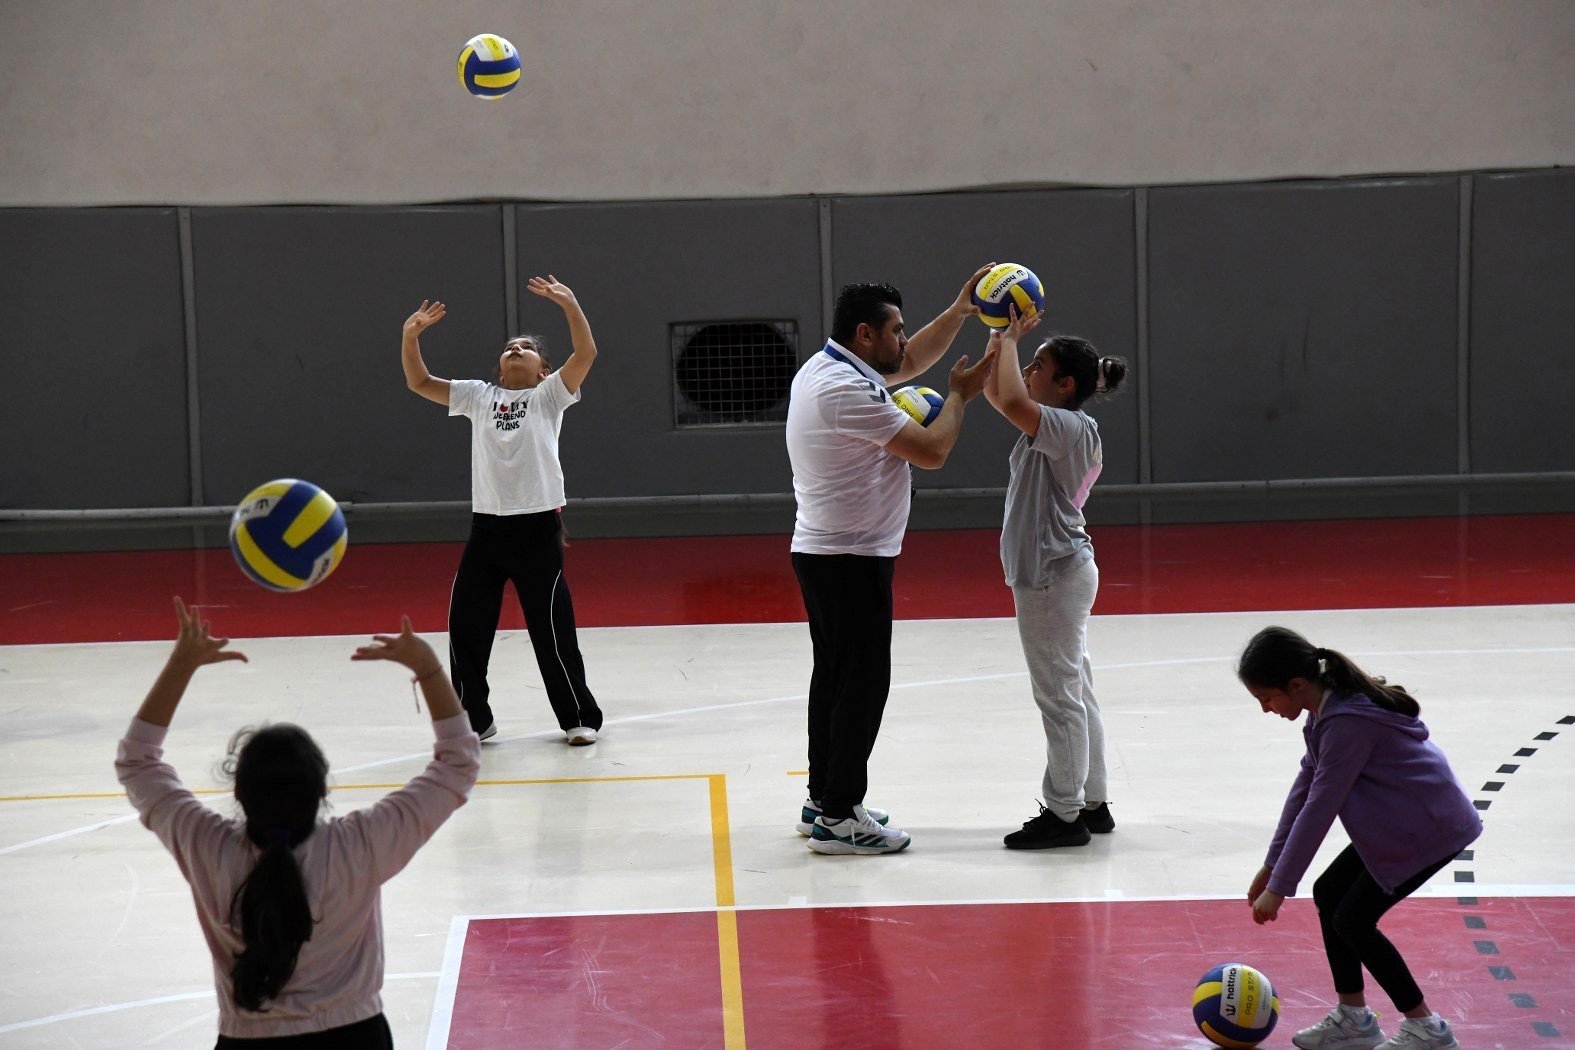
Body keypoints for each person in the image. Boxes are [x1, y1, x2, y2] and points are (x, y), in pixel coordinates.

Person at [115, 598, 480, 1047]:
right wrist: (428, 668)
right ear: (323, 791)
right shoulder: (360, 845)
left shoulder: (206, 846)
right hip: (356, 1039)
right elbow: (459, 762)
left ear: (238, 794)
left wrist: (181, 665)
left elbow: (138, 762)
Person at [786, 268, 999, 856]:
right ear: (864, 334)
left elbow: (911, 362)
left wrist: (960, 310)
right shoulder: (844, 391)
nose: (904, 339)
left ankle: (824, 799)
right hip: (850, 557)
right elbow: (931, 451)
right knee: (861, 687)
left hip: (831, 552)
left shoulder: (833, 368)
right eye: (896, 330)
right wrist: (959, 396)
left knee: (835, 681)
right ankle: (839, 818)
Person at [1238, 626, 1479, 1050]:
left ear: (1296, 685)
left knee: (1353, 920)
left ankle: (1427, 1028)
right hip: (1400, 823)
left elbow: (1320, 808)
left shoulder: (1346, 723)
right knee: (1329, 892)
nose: (1265, 709)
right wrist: (1272, 865)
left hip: (1428, 827)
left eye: (1266, 698)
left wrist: (1279, 888)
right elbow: (1304, 788)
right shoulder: (1324, 714)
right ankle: (1354, 1019)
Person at [401, 276, 603, 746]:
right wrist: (410, 336)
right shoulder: (478, 396)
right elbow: (419, 382)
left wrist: (570, 303)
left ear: (542, 371)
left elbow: (586, 353)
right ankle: (474, 721)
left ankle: (578, 717)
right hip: (487, 529)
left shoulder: (549, 396)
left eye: (526, 348)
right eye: (510, 347)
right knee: (465, 628)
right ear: (499, 367)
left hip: (537, 528)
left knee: (551, 629)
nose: (516, 349)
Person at [980, 309, 1127, 849]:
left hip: (1051, 575)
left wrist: (1011, 339)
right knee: (1075, 689)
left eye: (1038, 366)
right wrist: (999, 335)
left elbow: (1011, 400)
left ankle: (1064, 814)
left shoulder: (1066, 426)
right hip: (1061, 571)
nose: (1028, 371)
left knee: (1059, 696)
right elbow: (1000, 396)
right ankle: (1092, 800)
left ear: (1065, 385)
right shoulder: (1058, 426)